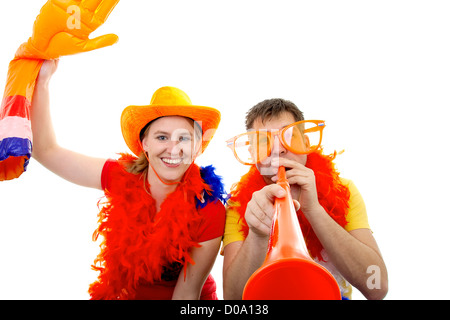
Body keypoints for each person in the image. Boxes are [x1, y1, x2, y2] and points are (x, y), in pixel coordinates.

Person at [23, 2, 227, 300]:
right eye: (161, 136)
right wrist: (43, 83)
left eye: (184, 138)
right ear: (143, 145)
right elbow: (46, 150)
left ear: (197, 147)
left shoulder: (209, 207)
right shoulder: (121, 177)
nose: (174, 149)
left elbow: (187, 294)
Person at [222, 98, 388, 300]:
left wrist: (314, 209)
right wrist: (257, 235)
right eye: (264, 141)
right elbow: (232, 300)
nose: (278, 149)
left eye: (289, 136)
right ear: (252, 153)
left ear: (307, 143)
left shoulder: (345, 190)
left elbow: (377, 287)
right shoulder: (238, 204)